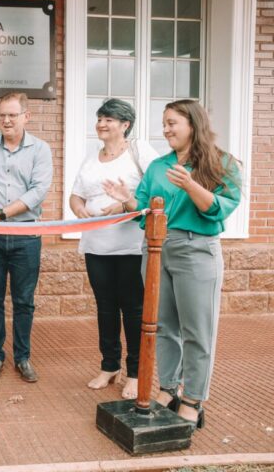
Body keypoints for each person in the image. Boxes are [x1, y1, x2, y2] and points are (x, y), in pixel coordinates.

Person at [105, 99, 241, 428]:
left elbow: (220, 209)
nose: (165, 130)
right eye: (164, 123)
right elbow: (143, 208)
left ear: (192, 124)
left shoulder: (222, 163)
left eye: (172, 123)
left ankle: (193, 399)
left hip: (197, 250)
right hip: (155, 251)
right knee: (163, 327)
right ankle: (168, 389)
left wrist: (190, 184)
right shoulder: (158, 166)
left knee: (197, 331)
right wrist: (127, 201)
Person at [69, 98, 158, 399]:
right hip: (96, 245)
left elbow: (156, 193)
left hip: (131, 246)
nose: (102, 123)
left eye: (108, 118)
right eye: (99, 118)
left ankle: (135, 372)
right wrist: (79, 208)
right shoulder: (91, 158)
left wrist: (124, 202)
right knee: (105, 308)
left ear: (125, 124)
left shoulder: (140, 151)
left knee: (132, 310)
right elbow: (76, 195)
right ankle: (109, 366)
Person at [0, 92, 52, 382]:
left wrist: (1, 213)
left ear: (26, 117)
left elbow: (38, 192)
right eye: (2, 114)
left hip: (26, 234)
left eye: (12, 115)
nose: (6, 120)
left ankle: (23, 357)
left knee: (24, 300)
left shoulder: (41, 150)